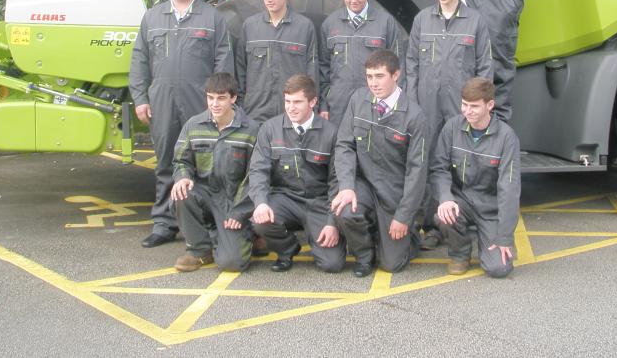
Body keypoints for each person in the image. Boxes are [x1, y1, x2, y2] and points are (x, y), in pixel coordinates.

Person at [129, 0, 233, 248]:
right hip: (161, 100)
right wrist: (140, 98)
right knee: (165, 161)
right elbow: (139, 61)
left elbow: (224, 65)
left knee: (204, 162)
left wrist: (220, 104)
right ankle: (164, 223)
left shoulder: (212, 19)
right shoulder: (152, 17)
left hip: (199, 101)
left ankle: (205, 221)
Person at [406, 0, 492, 250]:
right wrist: (412, 102)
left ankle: (462, 221)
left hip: (461, 106)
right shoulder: (422, 20)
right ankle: (431, 225)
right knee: (430, 161)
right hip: (427, 104)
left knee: (463, 162)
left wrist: (479, 108)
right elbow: (411, 66)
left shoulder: (476, 22)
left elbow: (485, 68)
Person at [332, 49, 427, 276]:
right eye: (369, 77)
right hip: (364, 185)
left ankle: (410, 233)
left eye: (380, 76)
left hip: (394, 193)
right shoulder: (358, 100)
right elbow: (344, 145)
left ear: (396, 75)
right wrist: (346, 186)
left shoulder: (414, 116)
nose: (373, 83)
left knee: (392, 265)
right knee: (345, 210)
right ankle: (364, 255)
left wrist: (403, 216)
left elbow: (418, 171)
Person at [248, 74, 346, 273]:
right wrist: (261, 202)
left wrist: (332, 223)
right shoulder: (270, 129)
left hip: (319, 202)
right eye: (287, 101)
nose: (291, 107)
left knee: (332, 264)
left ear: (313, 102)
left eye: (297, 102)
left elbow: (336, 182)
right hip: (285, 199)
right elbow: (258, 170)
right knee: (260, 220)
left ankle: (327, 237)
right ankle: (287, 249)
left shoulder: (331, 133)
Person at [431, 77, 520, 278]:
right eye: (464, 104)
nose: (467, 111)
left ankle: (493, 238)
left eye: (474, 106)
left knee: (499, 269)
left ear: (490, 105)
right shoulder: (452, 128)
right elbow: (439, 168)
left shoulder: (507, 138)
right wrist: (446, 198)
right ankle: (460, 254)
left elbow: (509, 188)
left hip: (491, 209)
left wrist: (504, 236)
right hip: (461, 201)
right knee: (443, 215)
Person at [171, 72, 259, 273]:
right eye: (210, 98)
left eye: (221, 98)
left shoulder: (250, 130)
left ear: (233, 98)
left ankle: (250, 234)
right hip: (204, 195)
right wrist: (182, 177)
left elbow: (255, 176)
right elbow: (180, 160)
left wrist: (240, 212)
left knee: (232, 264)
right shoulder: (193, 126)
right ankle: (199, 250)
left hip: (233, 200)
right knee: (181, 193)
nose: (215, 104)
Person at [318, 0, 401, 128]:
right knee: (340, 149)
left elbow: (397, 66)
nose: (353, 0)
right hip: (338, 104)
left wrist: (395, 104)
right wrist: (323, 104)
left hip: (375, 101)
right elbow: (323, 67)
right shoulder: (330, 24)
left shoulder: (385, 23)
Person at [236, 0, 318, 122]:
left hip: (292, 113)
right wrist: (240, 106)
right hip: (255, 112)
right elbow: (240, 69)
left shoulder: (304, 27)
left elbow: (312, 70)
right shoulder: (250, 26)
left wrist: (314, 107)